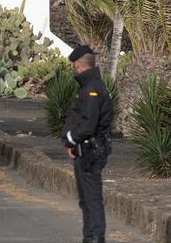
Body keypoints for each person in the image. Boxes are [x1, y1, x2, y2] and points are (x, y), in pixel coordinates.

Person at [63, 45, 114, 243]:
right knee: (86, 199)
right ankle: (89, 236)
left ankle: (95, 237)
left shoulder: (92, 89)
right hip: (85, 149)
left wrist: (70, 139)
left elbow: (88, 123)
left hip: (90, 150)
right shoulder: (90, 86)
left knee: (92, 198)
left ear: (78, 65)